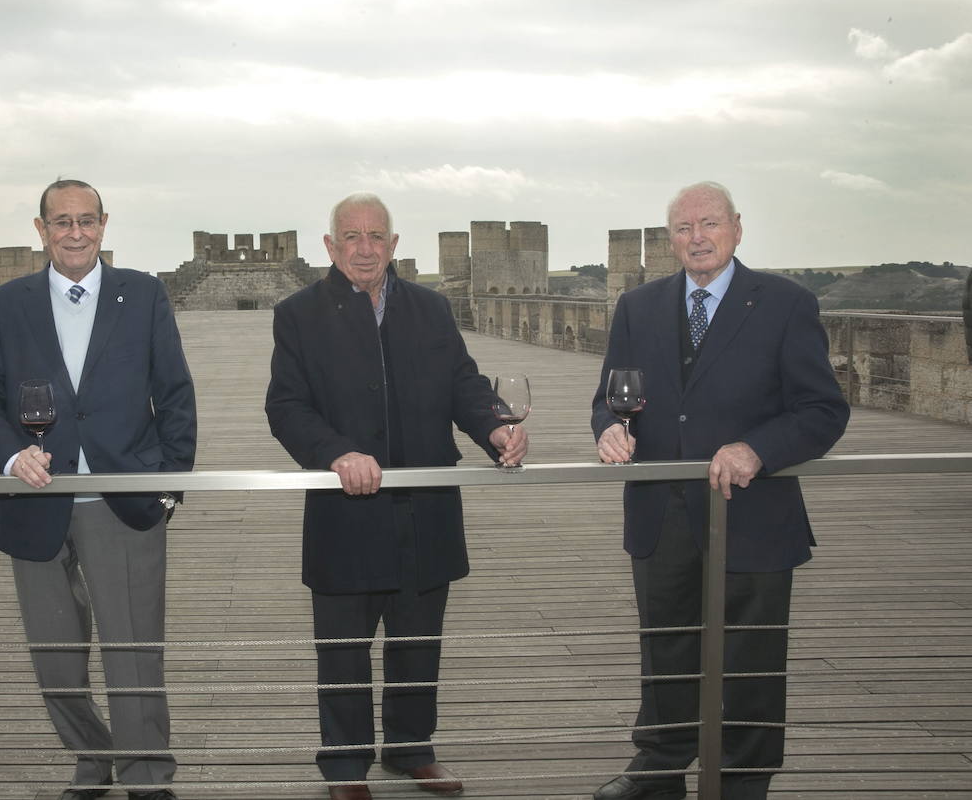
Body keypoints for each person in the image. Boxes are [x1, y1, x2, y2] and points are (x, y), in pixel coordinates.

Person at [590, 182, 850, 800]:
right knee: (665, 647)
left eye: (708, 223)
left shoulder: (786, 304)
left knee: (752, 657)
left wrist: (757, 448)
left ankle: (743, 779)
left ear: (737, 228)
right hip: (661, 513)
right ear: (669, 238)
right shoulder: (638, 306)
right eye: (683, 227)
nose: (696, 237)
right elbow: (611, 396)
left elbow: (822, 411)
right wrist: (610, 430)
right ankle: (658, 770)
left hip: (753, 512)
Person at [265, 192, 528, 800]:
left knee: (417, 644)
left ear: (394, 244)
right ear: (330, 246)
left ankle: (412, 751)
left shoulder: (431, 309)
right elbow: (286, 407)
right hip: (345, 511)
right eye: (351, 237)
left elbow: (464, 384)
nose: (365, 248)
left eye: (376, 236)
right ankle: (346, 767)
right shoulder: (298, 313)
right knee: (343, 652)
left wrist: (495, 426)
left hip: (423, 509)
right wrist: (337, 453)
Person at [0, 179, 195, 800]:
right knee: (56, 661)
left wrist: (170, 485)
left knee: (133, 654)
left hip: (122, 499)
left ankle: (147, 779)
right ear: (40, 229)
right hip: (36, 498)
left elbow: (174, 392)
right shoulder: (8, 303)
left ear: (104, 225)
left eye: (86, 220)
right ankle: (92, 758)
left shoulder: (143, 294)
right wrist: (9, 455)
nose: (75, 232)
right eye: (61, 221)